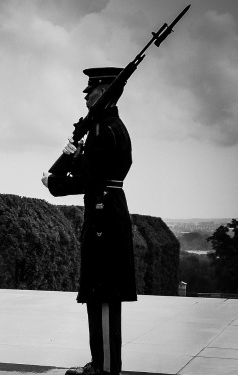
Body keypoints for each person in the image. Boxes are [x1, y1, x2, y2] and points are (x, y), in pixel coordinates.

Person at [41, 67, 137, 375]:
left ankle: (106, 368)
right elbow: (95, 174)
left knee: (105, 292)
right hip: (105, 211)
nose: (86, 97)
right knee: (98, 291)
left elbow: (89, 177)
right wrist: (71, 162)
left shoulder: (103, 130)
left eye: (91, 92)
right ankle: (100, 364)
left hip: (103, 215)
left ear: (106, 92)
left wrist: (59, 175)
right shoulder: (107, 128)